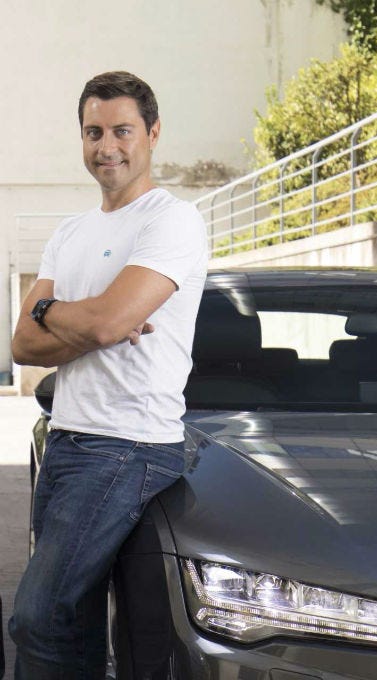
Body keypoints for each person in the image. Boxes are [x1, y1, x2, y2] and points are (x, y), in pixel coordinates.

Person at [8, 71, 208, 679]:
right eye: (93, 132)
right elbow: (23, 344)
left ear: (152, 134)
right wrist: (78, 316)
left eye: (122, 131)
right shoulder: (71, 232)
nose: (107, 146)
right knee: (73, 622)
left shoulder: (171, 221)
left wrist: (63, 315)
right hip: (68, 439)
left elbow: (104, 324)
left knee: (40, 618)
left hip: (128, 445)